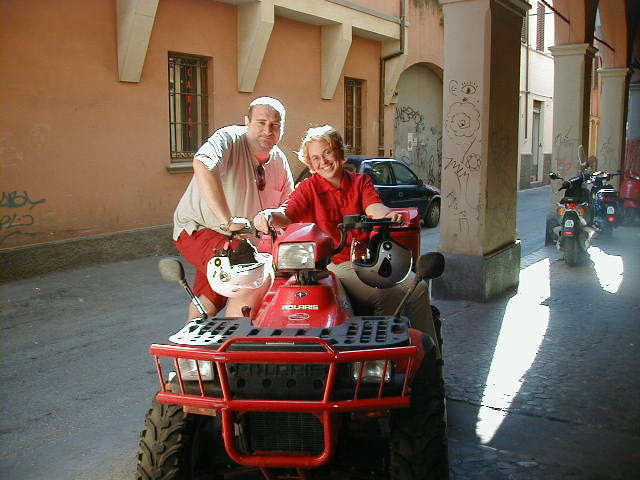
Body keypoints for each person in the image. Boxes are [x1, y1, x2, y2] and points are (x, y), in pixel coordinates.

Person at [254, 125, 439, 354]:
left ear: (340, 153)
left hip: (368, 260)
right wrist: (268, 215)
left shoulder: (361, 182)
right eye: (316, 158)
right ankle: (380, 361)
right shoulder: (308, 188)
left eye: (328, 153)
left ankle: (430, 359)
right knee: (387, 295)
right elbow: (287, 213)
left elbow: (374, 208)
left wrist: (387, 214)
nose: (323, 161)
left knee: (419, 287)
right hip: (334, 264)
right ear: (310, 165)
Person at [173, 97, 294, 320]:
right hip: (199, 228)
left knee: (211, 298)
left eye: (275, 125)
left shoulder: (279, 160)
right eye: (261, 122)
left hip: (237, 238)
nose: (268, 130)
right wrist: (227, 220)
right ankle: (234, 343)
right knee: (252, 274)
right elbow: (203, 163)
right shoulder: (228, 138)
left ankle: (192, 352)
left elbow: (290, 207)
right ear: (247, 121)